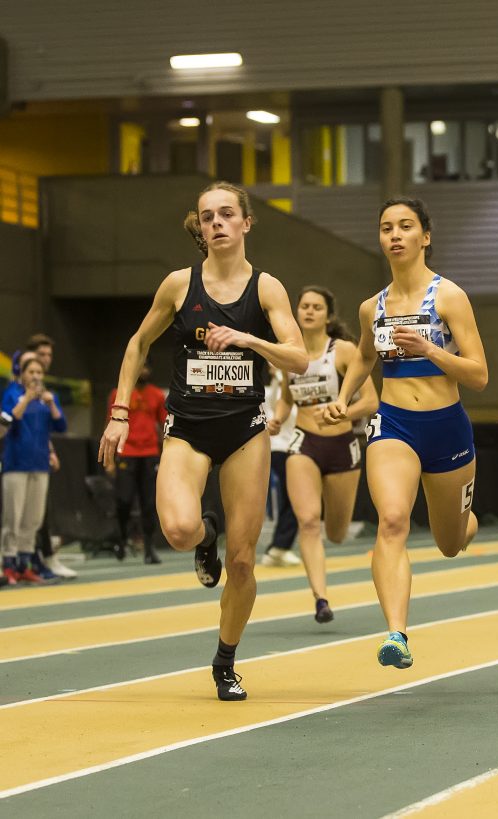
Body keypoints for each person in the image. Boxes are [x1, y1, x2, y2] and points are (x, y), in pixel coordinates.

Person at [97, 181, 307, 701]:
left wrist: (248, 339)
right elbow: (138, 342)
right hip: (188, 429)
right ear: (202, 227)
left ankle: (225, 661)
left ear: (245, 223)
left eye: (226, 214)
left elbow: (298, 358)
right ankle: (205, 534)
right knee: (178, 529)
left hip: (245, 432)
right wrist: (119, 413)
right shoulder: (178, 285)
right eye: (208, 216)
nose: (216, 222)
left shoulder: (267, 289)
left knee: (242, 563)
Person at [321, 197, 487, 670]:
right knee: (392, 521)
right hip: (394, 425)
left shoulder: (449, 297)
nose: (394, 235)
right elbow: (364, 357)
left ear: (424, 237)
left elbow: (478, 375)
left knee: (449, 542)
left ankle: (467, 521)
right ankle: (397, 633)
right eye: (386, 228)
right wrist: (344, 395)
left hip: (446, 426)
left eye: (405, 226)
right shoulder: (371, 308)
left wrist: (432, 351)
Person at [267, 286, 379, 624]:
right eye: (304, 306)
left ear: (328, 316)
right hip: (303, 443)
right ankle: (321, 599)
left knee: (336, 533)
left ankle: (331, 545)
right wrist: (277, 415)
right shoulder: (290, 354)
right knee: (308, 521)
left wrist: (343, 411)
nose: (309, 312)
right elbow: (288, 396)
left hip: (342, 446)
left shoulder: (343, 351)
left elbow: (371, 402)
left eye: (317, 307)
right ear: (297, 312)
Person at [2, 353, 67, 586]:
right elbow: (8, 422)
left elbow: (61, 425)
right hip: (16, 463)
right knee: (13, 517)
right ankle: (8, 565)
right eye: (31, 372)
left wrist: (51, 404)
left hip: (40, 464)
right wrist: (27, 399)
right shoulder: (12, 394)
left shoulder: (47, 398)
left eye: (39, 372)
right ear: (22, 373)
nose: (36, 376)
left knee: (33, 519)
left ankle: (24, 564)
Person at [22, 333, 77, 580]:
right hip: (18, 457)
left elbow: (55, 426)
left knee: (39, 513)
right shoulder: (19, 387)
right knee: (19, 515)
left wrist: (51, 450)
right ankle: (21, 562)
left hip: (38, 457)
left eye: (49, 356)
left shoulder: (45, 393)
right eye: (41, 355)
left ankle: (39, 560)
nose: (46, 361)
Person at [105, 360, 166, 564]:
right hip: (127, 452)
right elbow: (110, 426)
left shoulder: (157, 395)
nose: (144, 371)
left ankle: (149, 548)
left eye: (146, 367)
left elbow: (164, 425)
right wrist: (111, 460)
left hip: (149, 454)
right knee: (123, 500)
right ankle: (121, 540)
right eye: (140, 367)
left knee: (149, 503)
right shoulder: (119, 394)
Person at [261, 365, 301, 567]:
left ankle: (277, 548)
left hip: (293, 449)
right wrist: (280, 371)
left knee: (292, 499)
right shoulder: (274, 388)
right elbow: (280, 398)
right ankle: (279, 547)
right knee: (296, 498)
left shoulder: (296, 386)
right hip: (280, 449)